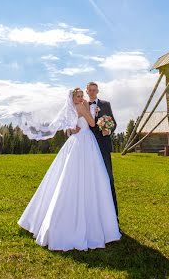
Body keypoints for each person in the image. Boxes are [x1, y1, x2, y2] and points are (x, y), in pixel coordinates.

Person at [17, 88, 121, 251]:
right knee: (83, 179)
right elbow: (91, 123)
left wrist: (94, 122)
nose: (81, 98)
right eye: (78, 96)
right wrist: (87, 114)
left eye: (82, 96)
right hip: (83, 143)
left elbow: (71, 125)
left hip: (82, 142)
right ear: (73, 98)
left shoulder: (75, 107)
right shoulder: (80, 107)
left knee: (84, 179)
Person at [68, 81, 118, 217]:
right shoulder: (81, 105)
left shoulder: (105, 105)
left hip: (102, 147)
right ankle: (89, 213)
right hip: (85, 148)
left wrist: (108, 129)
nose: (92, 92)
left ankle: (112, 216)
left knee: (108, 179)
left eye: (94, 90)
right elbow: (70, 125)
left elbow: (113, 123)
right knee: (87, 179)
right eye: (89, 90)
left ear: (98, 91)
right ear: (87, 91)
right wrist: (71, 130)